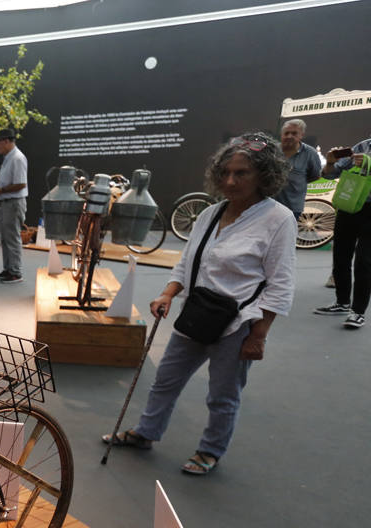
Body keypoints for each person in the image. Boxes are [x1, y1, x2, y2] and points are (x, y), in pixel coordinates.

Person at [102, 132, 296, 475]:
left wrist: (259, 334)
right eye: (225, 173)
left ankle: (211, 450)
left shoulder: (278, 219)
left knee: (222, 395)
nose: (230, 181)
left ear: (264, 175)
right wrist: (167, 293)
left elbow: (280, 283)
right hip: (197, 314)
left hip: (238, 322)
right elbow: (187, 262)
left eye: (241, 173)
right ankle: (146, 432)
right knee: (165, 379)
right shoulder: (210, 214)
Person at [314, 136, 371, 330]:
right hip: (349, 205)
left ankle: (358, 311)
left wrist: (368, 165)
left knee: (364, 261)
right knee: (340, 256)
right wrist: (330, 163)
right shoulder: (362, 145)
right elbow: (331, 174)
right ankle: (342, 302)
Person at [0, 128, 28, 284]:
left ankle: (16, 272)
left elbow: (21, 183)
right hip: (7, 202)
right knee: (6, 237)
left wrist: (0, 190)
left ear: (6, 141)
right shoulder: (9, 157)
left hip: (13, 202)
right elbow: (12, 181)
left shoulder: (17, 158)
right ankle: (9, 269)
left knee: (12, 237)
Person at [273, 118, 322, 217]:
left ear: (301, 135)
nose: (289, 136)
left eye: (294, 133)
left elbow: (315, 176)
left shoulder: (310, 153)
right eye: (286, 133)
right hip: (269, 205)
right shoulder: (272, 151)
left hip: (292, 208)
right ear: (281, 135)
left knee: (287, 232)